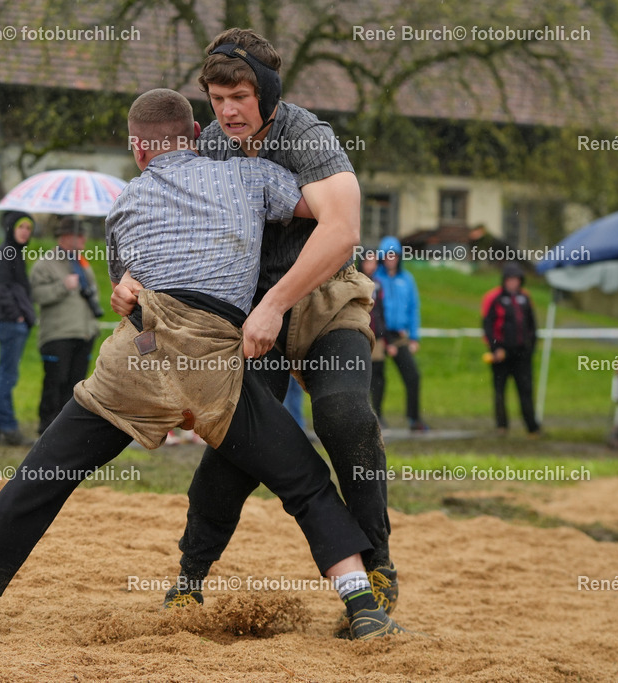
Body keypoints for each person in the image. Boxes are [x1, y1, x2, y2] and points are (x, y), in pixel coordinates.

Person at [0, 88, 407, 641]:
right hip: (212, 367)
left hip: (140, 354)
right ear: (198, 137)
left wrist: (126, 280)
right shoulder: (250, 179)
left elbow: (125, 286)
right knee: (305, 480)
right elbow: (323, 213)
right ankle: (362, 605)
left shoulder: (125, 204)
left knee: (45, 472)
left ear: (138, 150)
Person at [113, 29, 398, 620]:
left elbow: (341, 230)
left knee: (346, 416)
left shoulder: (308, 137)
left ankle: (379, 569)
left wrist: (277, 303)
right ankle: (191, 575)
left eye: (239, 96)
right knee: (238, 443)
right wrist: (133, 281)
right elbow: (166, 218)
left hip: (322, 300)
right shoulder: (211, 147)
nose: (228, 111)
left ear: (266, 93)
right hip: (247, 313)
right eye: (217, 99)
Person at [30, 217, 102, 435]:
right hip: (57, 335)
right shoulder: (45, 263)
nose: (84, 239)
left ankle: (67, 429)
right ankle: (47, 426)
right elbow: (36, 294)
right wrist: (62, 286)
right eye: (79, 234)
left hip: (84, 333)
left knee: (76, 384)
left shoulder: (82, 264)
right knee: (55, 381)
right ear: (65, 237)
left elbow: (93, 294)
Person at [0, 211, 36, 446]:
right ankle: (6, 427)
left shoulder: (15, 253)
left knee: (5, 375)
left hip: (15, 323)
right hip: (10, 324)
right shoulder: (6, 253)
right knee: (7, 376)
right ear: (11, 228)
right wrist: (17, 316)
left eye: (29, 228)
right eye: (21, 227)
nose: (25, 232)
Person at [375, 236, 429, 432]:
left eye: (394, 255)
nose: (391, 259)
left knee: (413, 375)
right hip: (380, 335)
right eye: (388, 255)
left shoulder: (407, 280)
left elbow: (414, 308)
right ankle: (377, 417)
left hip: (399, 335)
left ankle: (414, 418)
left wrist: (414, 337)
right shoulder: (375, 278)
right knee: (378, 378)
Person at [481, 263, 541, 436]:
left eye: (516, 279)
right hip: (501, 354)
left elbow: (532, 325)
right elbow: (487, 326)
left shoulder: (525, 298)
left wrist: (531, 347)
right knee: (500, 391)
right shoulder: (495, 298)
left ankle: (532, 427)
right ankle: (502, 426)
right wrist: (495, 348)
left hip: (522, 353)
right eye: (510, 279)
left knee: (526, 390)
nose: (513, 283)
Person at [361, 248, 388, 426]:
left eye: (374, 262)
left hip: (377, 337)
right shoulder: (356, 281)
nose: (371, 265)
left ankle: (378, 412)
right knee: (362, 375)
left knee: (378, 376)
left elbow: (381, 311)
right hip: (361, 335)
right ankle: (363, 413)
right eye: (368, 261)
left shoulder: (377, 285)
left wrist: (385, 335)